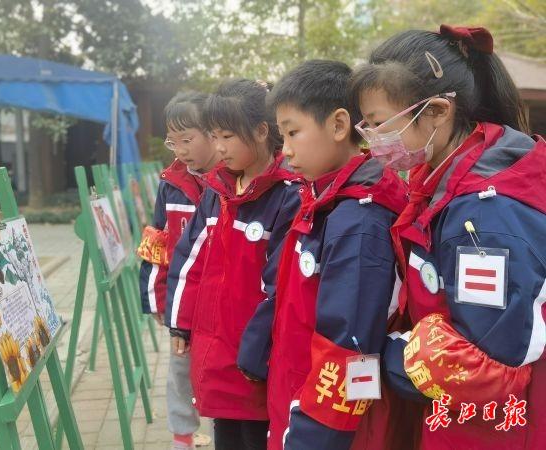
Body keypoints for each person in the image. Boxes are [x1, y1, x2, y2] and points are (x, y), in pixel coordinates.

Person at [349, 24, 546, 449]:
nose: (372, 138)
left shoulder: (485, 213)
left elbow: (488, 359)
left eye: (382, 123)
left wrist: (386, 355)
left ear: (437, 111)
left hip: (490, 427)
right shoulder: (449, 176)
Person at [239, 59, 408, 450]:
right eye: (283, 136)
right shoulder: (317, 197)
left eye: (293, 132)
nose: (286, 150)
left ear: (338, 125)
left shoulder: (359, 220)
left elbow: (349, 345)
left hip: (326, 424)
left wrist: (309, 436)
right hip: (295, 391)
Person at [165, 79, 301, 450]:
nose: (219, 147)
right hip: (216, 350)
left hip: (257, 358)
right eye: (214, 136)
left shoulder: (287, 196)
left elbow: (281, 287)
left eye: (227, 136)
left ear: (260, 131)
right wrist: (180, 323)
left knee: (258, 436)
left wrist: (256, 352)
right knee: (225, 433)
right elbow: (188, 258)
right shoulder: (218, 192)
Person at [138, 91, 219, 450]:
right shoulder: (170, 183)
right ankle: (182, 438)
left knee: (219, 375)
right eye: (174, 141)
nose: (181, 150)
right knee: (178, 372)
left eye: (188, 140)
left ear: (214, 133)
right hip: (181, 303)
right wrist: (157, 298)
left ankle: (222, 435)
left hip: (219, 304)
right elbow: (155, 241)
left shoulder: (231, 179)